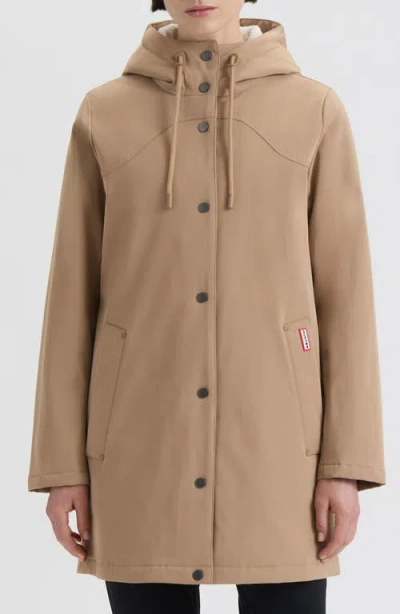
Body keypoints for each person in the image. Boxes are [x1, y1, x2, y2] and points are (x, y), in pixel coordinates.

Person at [27, 1, 386, 613]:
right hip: (140, 449)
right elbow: (70, 302)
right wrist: (62, 468)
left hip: (280, 454)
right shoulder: (103, 113)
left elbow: (346, 301)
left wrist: (345, 464)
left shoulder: (314, 110)